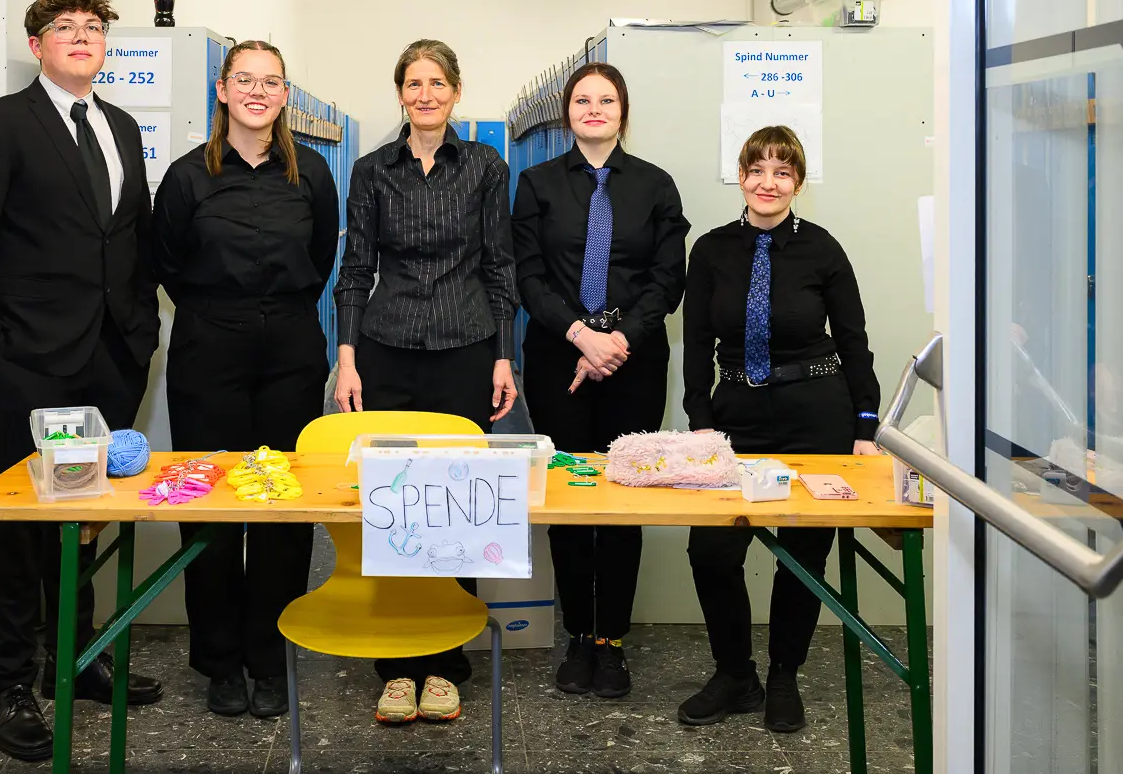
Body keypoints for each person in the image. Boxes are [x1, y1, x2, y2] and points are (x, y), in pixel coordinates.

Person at [0, 0, 163, 763]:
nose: (81, 37)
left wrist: (143, 332)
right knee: (24, 523)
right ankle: (9, 681)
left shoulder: (121, 125)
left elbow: (130, 238)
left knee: (86, 511)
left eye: (93, 27)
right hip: (31, 362)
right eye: (63, 28)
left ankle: (76, 656)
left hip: (113, 357)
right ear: (36, 45)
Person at [332, 38, 519, 725]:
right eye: (414, 83)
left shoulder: (485, 167)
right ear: (401, 94)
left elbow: (500, 266)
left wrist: (504, 355)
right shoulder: (371, 171)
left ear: (456, 92)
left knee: (458, 507)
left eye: (437, 83)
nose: (426, 94)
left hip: (465, 348)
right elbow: (356, 269)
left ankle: (445, 661)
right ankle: (396, 666)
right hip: (387, 349)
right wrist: (347, 356)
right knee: (395, 507)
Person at [152, 40, 339, 720]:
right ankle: (220, 660)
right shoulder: (186, 176)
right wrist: (224, 311)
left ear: (285, 95)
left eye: (271, 82)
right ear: (223, 90)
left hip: (290, 348)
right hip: (209, 349)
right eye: (245, 80)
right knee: (211, 505)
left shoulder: (312, 171)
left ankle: (270, 655)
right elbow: (166, 262)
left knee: (283, 508)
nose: (258, 92)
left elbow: (320, 257)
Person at [677, 125, 881, 734]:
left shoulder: (822, 249)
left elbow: (853, 340)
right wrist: (701, 424)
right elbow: (696, 346)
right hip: (736, 413)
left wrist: (866, 423)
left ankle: (785, 675)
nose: (769, 183)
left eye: (783, 172)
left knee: (802, 555)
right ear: (741, 177)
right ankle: (735, 674)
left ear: (798, 182)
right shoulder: (710, 250)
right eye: (757, 170)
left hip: (816, 413)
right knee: (711, 551)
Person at [511, 61, 688, 699]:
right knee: (568, 498)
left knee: (621, 500)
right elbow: (528, 275)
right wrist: (580, 335)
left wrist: (617, 341)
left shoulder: (655, 185)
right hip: (558, 358)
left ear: (622, 111)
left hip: (633, 361)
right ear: (567, 112)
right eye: (582, 99)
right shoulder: (536, 183)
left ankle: (612, 639)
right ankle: (578, 635)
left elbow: (667, 278)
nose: (593, 109)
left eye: (606, 100)